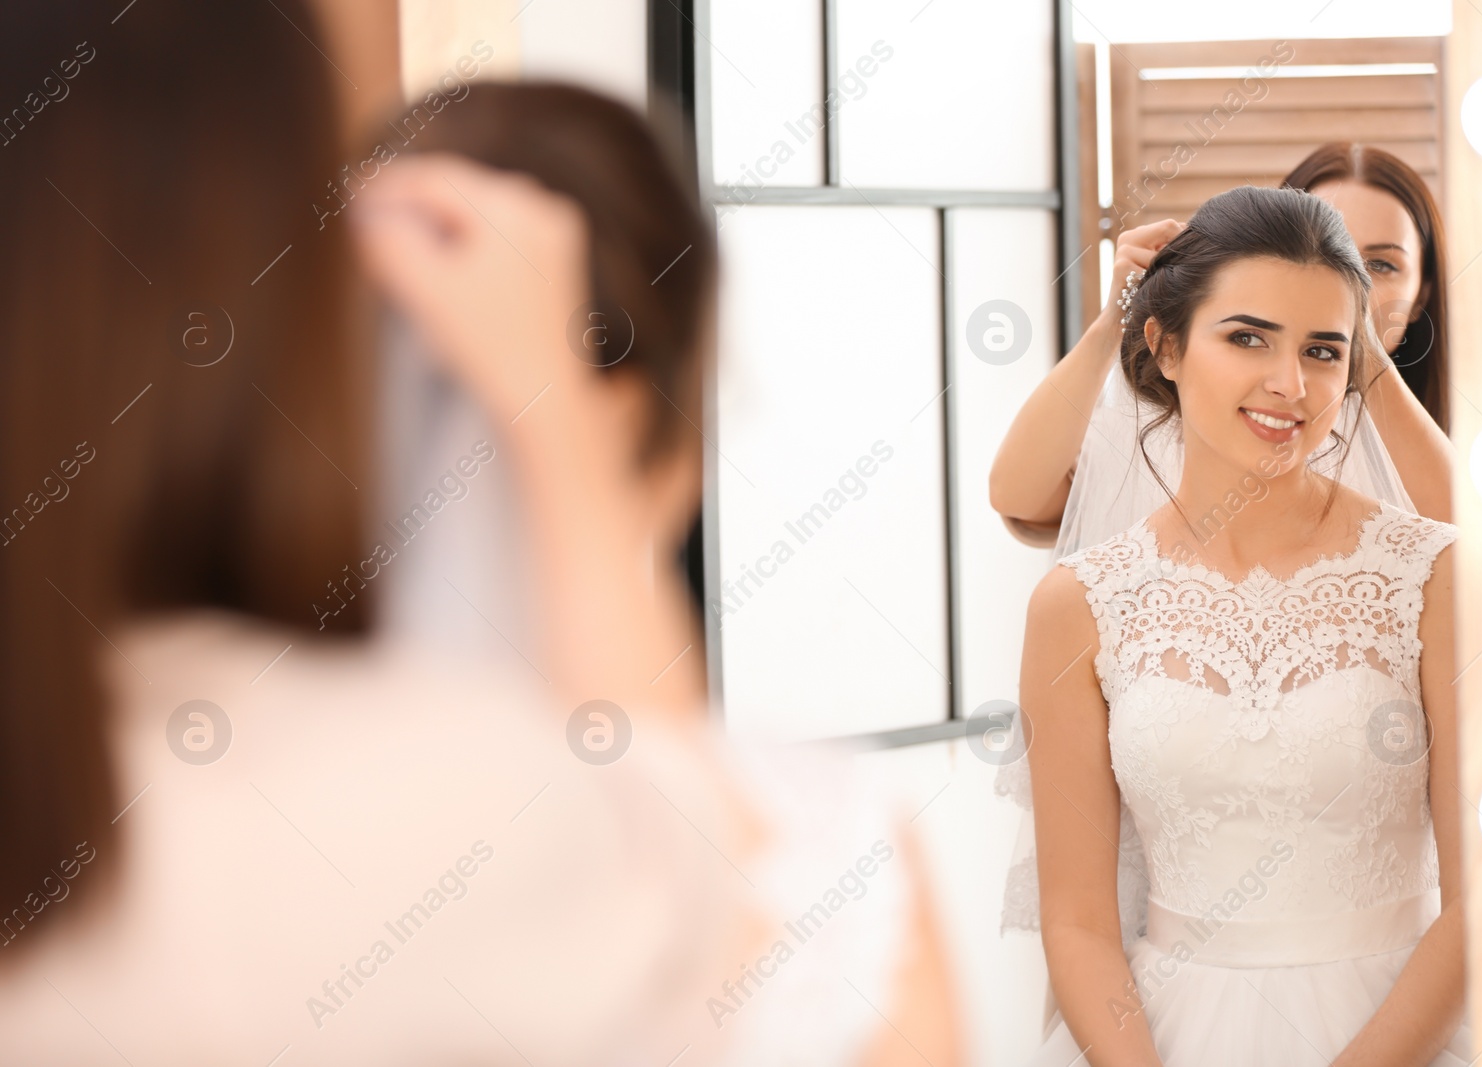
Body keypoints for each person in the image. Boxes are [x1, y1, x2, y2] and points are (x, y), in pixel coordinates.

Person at [0, 3, 961, 1064]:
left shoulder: (110, 776)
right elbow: (700, 925)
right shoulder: (790, 853)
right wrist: (564, 449)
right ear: (664, 420)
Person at [1016, 185, 1473, 1065]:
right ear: (1165, 345)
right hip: (1166, 1033)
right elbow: (1075, 920)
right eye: (1247, 337)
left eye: (1324, 350)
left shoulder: (1432, 574)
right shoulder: (1078, 603)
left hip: (1402, 1029)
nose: (1289, 385)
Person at [989, 144, 1455, 548]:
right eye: (1333, 249)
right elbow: (1020, 498)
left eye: (1380, 264)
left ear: (1424, 292)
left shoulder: (1459, 443)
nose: (1341, 278)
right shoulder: (1188, 412)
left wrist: (1354, 329)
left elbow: (1458, 535)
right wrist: (1116, 318)